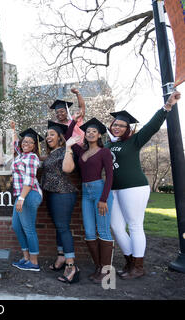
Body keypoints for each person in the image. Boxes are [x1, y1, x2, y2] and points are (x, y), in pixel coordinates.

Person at [107, 90, 181, 280]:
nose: (117, 128)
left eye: (122, 126)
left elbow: (152, 126)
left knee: (134, 225)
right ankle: (130, 261)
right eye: (115, 124)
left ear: (127, 129)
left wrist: (167, 107)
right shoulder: (106, 145)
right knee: (115, 226)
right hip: (113, 190)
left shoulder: (134, 141)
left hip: (133, 187)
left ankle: (138, 267)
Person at [63, 118, 114, 283]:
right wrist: (75, 120)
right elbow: (68, 134)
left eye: (94, 131)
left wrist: (104, 199)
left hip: (100, 192)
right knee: (90, 232)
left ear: (99, 135)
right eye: (88, 131)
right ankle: (98, 267)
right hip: (86, 193)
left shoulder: (104, 151)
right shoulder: (81, 151)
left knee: (104, 231)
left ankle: (106, 272)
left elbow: (110, 176)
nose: (91, 133)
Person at [40, 120, 80, 284]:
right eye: (47, 134)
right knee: (59, 227)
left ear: (60, 138)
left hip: (63, 193)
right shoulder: (51, 153)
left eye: (52, 134)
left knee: (63, 228)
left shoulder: (65, 150)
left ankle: (72, 267)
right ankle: (61, 257)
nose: (48, 137)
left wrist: (69, 148)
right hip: (52, 193)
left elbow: (67, 169)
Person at [10, 126, 43, 272]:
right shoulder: (21, 155)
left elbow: (29, 180)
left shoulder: (32, 157)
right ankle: (25, 258)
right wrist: (13, 130)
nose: (26, 144)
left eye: (30, 142)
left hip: (29, 194)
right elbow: (16, 144)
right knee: (17, 226)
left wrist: (22, 198)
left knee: (29, 229)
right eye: (25, 141)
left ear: (34, 146)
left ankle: (34, 262)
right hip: (21, 195)